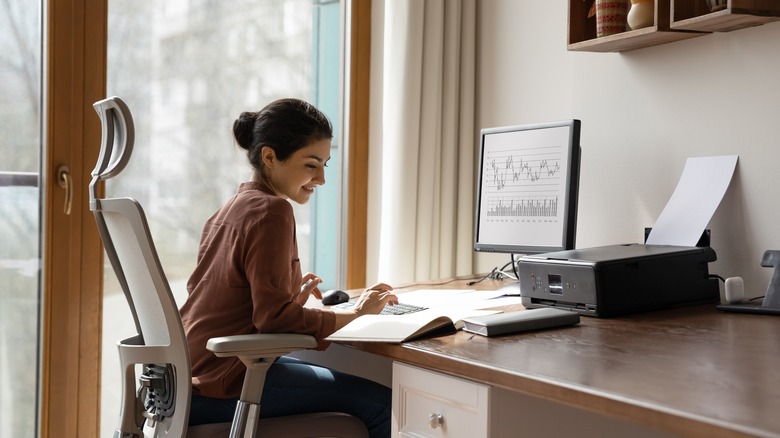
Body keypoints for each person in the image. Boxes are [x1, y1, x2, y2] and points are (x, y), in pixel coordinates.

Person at [179, 97, 397, 437]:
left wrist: (290, 301)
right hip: (224, 384)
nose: (322, 179)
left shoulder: (229, 209)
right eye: (311, 165)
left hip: (186, 382)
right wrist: (358, 315)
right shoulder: (272, 211)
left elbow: (231, 305)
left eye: (325, 164)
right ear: (270, 157)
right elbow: (273, 320)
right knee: (386, 405)